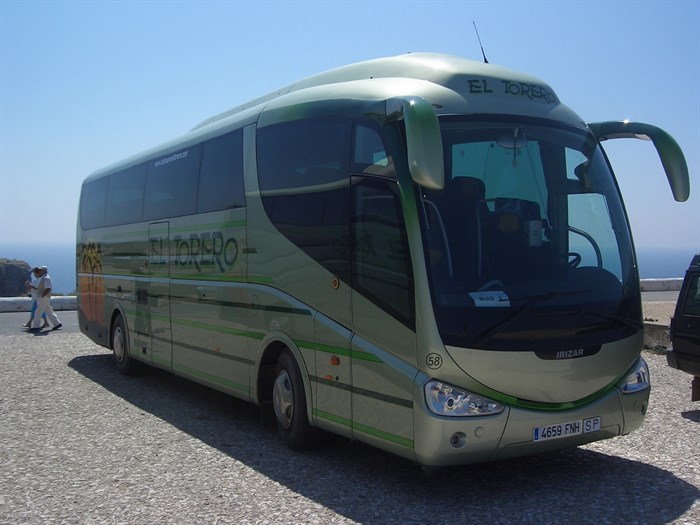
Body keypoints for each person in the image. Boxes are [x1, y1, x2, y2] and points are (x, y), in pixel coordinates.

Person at [28, 266, 62, 331]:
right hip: (45, 297)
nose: (39, 271)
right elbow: (40, 289)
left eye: (40, 270)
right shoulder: (44, 278)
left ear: (44, 271)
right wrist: (32, 287)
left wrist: (43, 295)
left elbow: (48, 288)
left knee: (38, 311)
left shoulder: (46, 278)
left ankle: (36, 326)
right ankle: (57, 323)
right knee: (48, 311)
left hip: (43, 297)